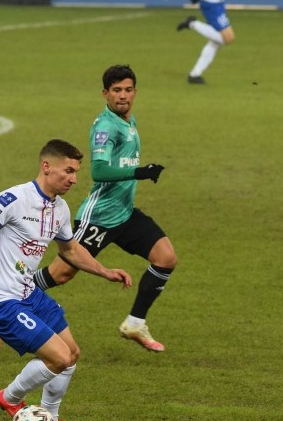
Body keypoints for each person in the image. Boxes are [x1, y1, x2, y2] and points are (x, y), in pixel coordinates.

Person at [0, 139, 132, 421]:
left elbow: (70, 250)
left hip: (28, 294)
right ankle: (10, 398)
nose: (74, 179)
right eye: (67, 170)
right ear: (46, 166)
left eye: (76, 172)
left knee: (72, 353)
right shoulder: (15, 198)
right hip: (0, 301)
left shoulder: (60, 209)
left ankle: (50, 419)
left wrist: (105, 271)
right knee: (59, 358)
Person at [31, 65, 176, 353]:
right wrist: (139, 172)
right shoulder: (106, 126)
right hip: (99, 218)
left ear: (135, 92)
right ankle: (11, 294)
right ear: (105, 93)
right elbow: (98, 170)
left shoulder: (127, 121)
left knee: (166, 257)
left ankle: (135, 322)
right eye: (117, 90)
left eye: (128, 89)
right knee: (61, 274)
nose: (123, 96)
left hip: (124, 213)